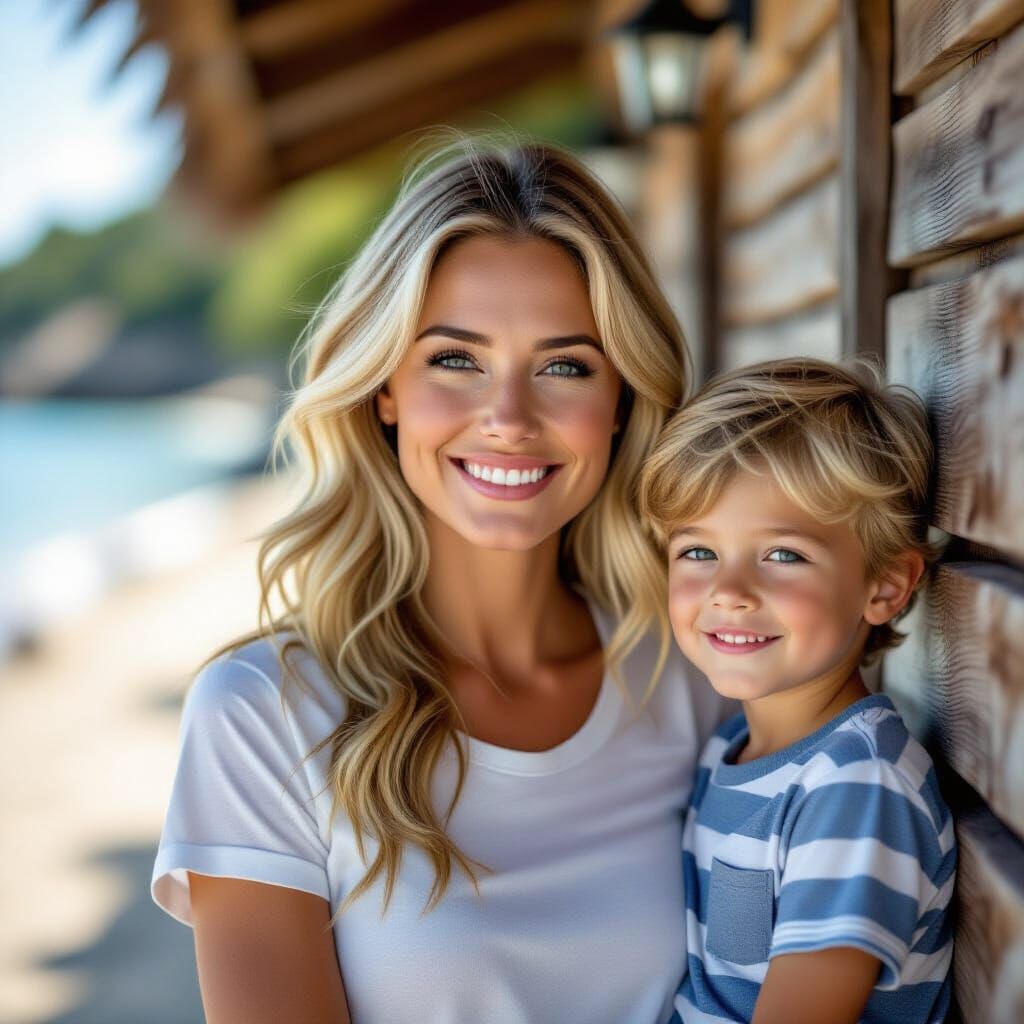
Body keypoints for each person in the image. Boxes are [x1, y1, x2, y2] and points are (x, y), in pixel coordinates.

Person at [150, 136, 729, 1024]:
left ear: (621, 401)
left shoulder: (692, 679)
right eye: (455, 359)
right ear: (385, 386)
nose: (508, 419)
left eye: (565, 366)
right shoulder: (262, 716)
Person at [638, 358, 955, 1024]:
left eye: (783, 555)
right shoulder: (731, 748)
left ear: (885, 587)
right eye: (698, 552)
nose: (728, 591)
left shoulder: (855, 789)